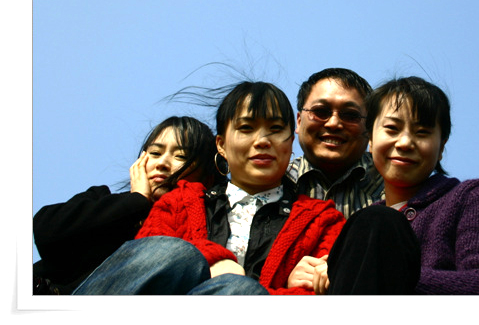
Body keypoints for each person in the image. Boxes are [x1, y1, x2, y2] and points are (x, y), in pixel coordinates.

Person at [74, 81, 346, 295]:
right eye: (246, 128)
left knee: (240, 291)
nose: (262, 140)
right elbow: (146, 265)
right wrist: (215, 261)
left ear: (291, 143)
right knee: (173, 252)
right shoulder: (179, 202)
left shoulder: (322, 221)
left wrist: (250, 292)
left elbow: (313, 299)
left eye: (275, 128)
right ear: (221, 145)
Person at [312, 76, 479, 295]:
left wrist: (384, 271)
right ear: (370, 140)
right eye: (392, 128)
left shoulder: (470, 197)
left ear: (441, 147)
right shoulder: (362, 223)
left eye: (422, 133)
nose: (405, 143)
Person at [33, 116, 225, 295]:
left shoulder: (215, 223)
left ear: (208, 176)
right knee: (176, 252)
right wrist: (136, 201)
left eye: (181, 156)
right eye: (155, 153)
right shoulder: (103, 200)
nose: (162, 163)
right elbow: (45, 231)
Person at [287, 67, 384, 218]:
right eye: (320, 112)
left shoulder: (393, 183)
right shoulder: (276, 181)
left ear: (369, 128)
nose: (333, 123)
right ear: (299, 122)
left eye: (350, 115)